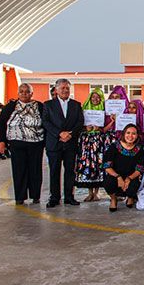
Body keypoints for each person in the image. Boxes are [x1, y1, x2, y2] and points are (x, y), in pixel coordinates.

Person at [0, 83, 45, 204]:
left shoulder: (39, 106)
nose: (24, 94)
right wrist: (1, 141)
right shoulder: (11, 106)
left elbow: (46, 123)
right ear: (18, 93)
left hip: (36, 143)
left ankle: (35, 195)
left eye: (27, 91)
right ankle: (20, 197)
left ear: (31, 94)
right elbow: (1, 123)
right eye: (21, 91)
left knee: (35, 169)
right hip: (17, 143)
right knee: (19, 170)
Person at [42, 78, 84, 208]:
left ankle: (69, 197)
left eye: (67, 88)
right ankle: (54, 197)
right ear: (56, 90)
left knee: (70, 171)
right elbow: (46, 122)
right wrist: (60, 133)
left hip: (70, 143)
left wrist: (70, 134)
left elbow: (80, 122)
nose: (65, 90)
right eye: (62, 88)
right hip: (54, 143)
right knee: (54, 171)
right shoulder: (48, 105)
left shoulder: (76, 105)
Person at [103, 124, 144, 212]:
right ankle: (114, 199)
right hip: (116, 175)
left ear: (137, 136)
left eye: (134, 134)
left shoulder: (139, 149)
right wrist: (118, 177)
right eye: (128, 133)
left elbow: (139, 169)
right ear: (124, 134)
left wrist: (129, 178)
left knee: (134, 186)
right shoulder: (114, 147)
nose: (130, 136)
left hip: (131, 176)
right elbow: (107, 166)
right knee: (108, 182)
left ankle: (130, 197)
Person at [75, 88, 106, 202]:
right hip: (86, 141)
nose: (95, 99)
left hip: (99, 141)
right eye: (93, 97)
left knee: (98, 165)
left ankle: (96, 193)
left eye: (98, 97)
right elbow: (78, 124)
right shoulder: (84, 109)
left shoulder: (104, 110)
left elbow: (107, 127)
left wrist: (100, 128)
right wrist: (84, 128)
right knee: (87, 165)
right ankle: (89, 193)